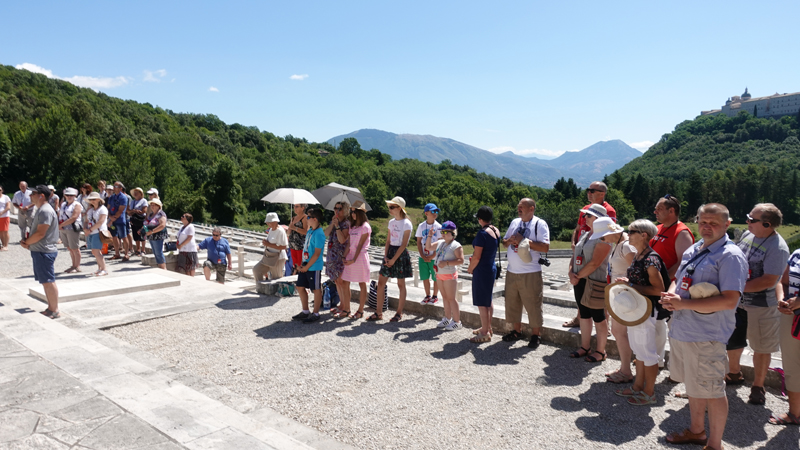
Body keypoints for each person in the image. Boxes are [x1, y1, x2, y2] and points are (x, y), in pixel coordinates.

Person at [660, 203, 747, 450]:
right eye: (703, 222)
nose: (707, 227)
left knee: (713, 390)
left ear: (727, 224)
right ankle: (697, 431)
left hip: (706, 334)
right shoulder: (695, 248)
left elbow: (730, 300)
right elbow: (679, 278)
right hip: (684, 329)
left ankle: (715, 444)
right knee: (694, 385)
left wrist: (682, 304)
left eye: (714, 223)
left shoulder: (730, 256)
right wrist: (671, 294)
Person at [726, 204, 789, 405]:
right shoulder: (748, 235)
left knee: (761, 347)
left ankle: (758, 387)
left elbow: (769, 280)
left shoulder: (778, 248)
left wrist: (736, 289)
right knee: (733, 340)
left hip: (762, 306)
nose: (747, 221)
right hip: (738, 302)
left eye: (752, 219)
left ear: (767, 224)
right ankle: (734, 374)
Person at [612, 219, 669, 406]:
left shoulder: (650, 259)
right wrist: (628, 282)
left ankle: (649, 392)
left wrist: (629, 284)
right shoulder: (639, 256)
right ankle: (638, 386)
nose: (628, 234)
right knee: (640, 351)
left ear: (644, 235)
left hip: (646, 311)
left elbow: (659, 289)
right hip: (637, 310)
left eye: (631, 231)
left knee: (648, 353)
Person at [651, 194, 695, 371]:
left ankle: (678, 369)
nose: (655, 212)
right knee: (656, 324)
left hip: (672, 287)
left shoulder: (682, 232)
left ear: (672, 211)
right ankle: (657, 360)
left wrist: (663, 279)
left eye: (659, 209)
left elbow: (682, 263)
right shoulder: (658, 228)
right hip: (657, 286)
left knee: (674, 328)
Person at [564, 181, 616, 328]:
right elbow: (577, 228)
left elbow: (609, 233)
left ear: (602, 193)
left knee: (597, 296)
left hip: (594, 249)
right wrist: (574, 243)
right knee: (581, 293)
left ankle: (604, 325)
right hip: (582, 246)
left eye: (592, 190)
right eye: (588, 190)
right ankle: (579, 318)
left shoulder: (608, 211)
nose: (588, 192)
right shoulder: (586, 208)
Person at [500, 198, 551, 349]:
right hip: (512, 271)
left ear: (531, 209)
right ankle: (517, 331)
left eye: (522, 206)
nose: (519, 209)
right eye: (518, 206)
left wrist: (525, 240)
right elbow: (504, 242)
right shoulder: (515, 222)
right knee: (512, 303)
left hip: (531, 272)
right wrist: (510, 240)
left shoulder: (539, 224)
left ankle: (536, 335)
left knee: (533, 305)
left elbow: (545, 247)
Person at [568, 207, 613, 362]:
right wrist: (571, 272)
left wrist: (577, 276)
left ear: (598, 219)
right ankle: (585, 347)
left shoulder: (604, 237)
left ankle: (601, 351)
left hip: (594, 281)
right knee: (584, 314)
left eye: (588, 215)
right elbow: (575, 254)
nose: (584, 217)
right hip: (580, 280)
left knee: (599, 317)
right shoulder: (586, 234)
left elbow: (595, 263)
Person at [370, 197, 413, 322]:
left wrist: (393, 259)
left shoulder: (407, 223)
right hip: (390, 252)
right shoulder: (391, 222)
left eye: (392, 207)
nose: (389, 209)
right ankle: (378, 312)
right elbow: (388, 240)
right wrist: (385, 256)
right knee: (381, 283)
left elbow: (404, 244)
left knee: (401, 284)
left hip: (400, 253)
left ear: (399, 208)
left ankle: (399, 313)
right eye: (389, 207)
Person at [21, 185, 61, 318]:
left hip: (44, 251)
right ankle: (51, 308)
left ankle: (54, 310)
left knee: (49, 281)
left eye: (33, 193)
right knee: (46, 281)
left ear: (41, 195)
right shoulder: (41, 209)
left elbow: (40, 233)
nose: (30, 195)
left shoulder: (45, 210)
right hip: (41, 250)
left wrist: (27, 243)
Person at [603, 224, 636, 383]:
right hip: (619, 294)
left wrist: (627, 283)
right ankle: (625, 368)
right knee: (618, 331)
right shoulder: (619, 244)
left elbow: (637, 270)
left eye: (603, 236)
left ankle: (626, 370)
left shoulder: (627, 246)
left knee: (619, 331)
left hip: (626, 296)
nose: (602, 239)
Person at [772, 251, 800, 425]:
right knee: (791, 365)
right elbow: (782, 282)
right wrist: (781, 300)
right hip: (791, 315)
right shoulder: (797, 255)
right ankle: (795, 413)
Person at [467, 206, 500, 343]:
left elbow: (477, 256)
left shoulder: (482, 234)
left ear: (480, 219)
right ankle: (487, 327)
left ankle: (485, 333)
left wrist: (470, 268)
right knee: (488, 300)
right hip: (491, 267)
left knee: (482, 302)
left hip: (482, 269)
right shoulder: (495, 230)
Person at [426, 221, 464, 330]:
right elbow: (428, 247)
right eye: (442, 231)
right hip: (439, 273)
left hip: (449, 274)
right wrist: (430, 236)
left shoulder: (456, 245)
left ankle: (457, 322)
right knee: (445, 297)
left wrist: (446, 263)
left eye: (445, 232)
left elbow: (461, 260)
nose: (443, 234)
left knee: (451, 298)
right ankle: (447, 318)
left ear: (452, 233)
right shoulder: (440, 242)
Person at [292, 207, 326, 323]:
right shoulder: (310, 231)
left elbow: (317, 253)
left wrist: (307, 267)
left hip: (314, 266)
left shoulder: (319, 233)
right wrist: (302, 264)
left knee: (316, 289)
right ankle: (305, 311)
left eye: (308, 217)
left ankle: (315, 313)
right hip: (306, 263)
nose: (306, 219)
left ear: (315, 219)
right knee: (300, 286)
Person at [341, 201, 372, 320]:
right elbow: (349, 243)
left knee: (362, 283)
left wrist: (353, 259)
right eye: (351, 211)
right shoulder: (352, 226)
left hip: (360, 257)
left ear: (360, 213)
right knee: (345, 282)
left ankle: (360, 310)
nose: (352, 214)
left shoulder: (365, 227)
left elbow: (360, 245)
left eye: (354, 211)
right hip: (351, 255)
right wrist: (344, 256)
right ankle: (346, 309)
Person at [325, 201, 351, 318]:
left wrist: (337, 226)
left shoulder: (346, 223)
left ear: (345, 210)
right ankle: (341, 304)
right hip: (332, 254)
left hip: (341, 255)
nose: (337, 210)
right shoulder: (334, 221)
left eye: (340, 208)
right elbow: (325, 233)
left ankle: (345, 306)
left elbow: (342, 240)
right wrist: (333, 224)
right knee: (336, 280)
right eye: (335, 208)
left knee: (342, 281)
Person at [416, 203, 442, 304]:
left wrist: (432, 255)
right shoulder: (421, 226)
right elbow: (418, 242)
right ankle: (427, 295)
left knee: (435, 277)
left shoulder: (438, 226)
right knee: (425, 277)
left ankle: (435, 296)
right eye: (433, 211)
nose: (435, 213)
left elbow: (440, 243)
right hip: (423, 256)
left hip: (434, 257)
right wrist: (422, 255)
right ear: (426, 213)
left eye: (436, 211)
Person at [252, 212, 288, 282]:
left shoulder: (280, 231)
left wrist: (268, 244)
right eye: (267, 222)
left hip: (278, 257)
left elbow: (284, 246)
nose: (267, 224)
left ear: (275, 221)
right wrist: (266, 242)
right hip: (268, 256)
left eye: (269, 222)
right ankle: (260, 286)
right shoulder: (271, 229)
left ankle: (275, 289)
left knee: (276, 278)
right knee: (256, 270)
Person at [58, 188, 83, 273]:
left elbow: (74, 217)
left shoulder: (77, 205)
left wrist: (61, 225)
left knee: (75, 248)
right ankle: (73, 265)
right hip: (63, 228)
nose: (69, 197)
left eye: (71, 195)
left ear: (74, 196)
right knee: (69, 248)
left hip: (72, 228)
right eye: (67, 195)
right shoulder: (63, 204)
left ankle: (77, 266)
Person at [84, 192, 109, 276]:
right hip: (91, 232)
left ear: (98, 200)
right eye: (90, 199)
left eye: (94, 199)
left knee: (96, 251)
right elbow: (86, 220)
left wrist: (89, 230)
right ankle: (100, 268)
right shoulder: (91, 210)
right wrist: (85, 228)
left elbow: (100, 222)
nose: (92, 201)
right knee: (95, 252)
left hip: (98, 232)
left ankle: (104, 269)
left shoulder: (103, 209)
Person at [107, 181, 129, 261]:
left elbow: (120, 210)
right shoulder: (111, 197)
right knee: (114, 237)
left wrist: (112, 219)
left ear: (120, 188)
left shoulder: (123, 197)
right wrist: (110, 217)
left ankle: (126, 254)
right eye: (114, 186)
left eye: (116, 186)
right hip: (112, 220)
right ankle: (117, 254)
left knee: (123, 237)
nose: (114, 188)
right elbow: (108, 208)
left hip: (120, 220)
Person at [144, 199, 169, 270]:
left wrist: (152, 231)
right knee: (155, 252)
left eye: (154, 205)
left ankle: (163, 268)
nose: (152, 206)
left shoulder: (161, 214)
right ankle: (160, 266)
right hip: (152, 235)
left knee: (158, 252)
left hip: (158, 235)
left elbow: (162, 225)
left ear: (158, 206)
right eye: (151, 205)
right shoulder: (151, 214)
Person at [287, 203, 309, 273]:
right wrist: (289, 229)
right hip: (292, 245)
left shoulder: (305, 218)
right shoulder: (293, 218)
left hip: (300, 246)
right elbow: (288, 232)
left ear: (303, 208)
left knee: (300, 265)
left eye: (297, 206)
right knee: (295, 265)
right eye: (294, 206)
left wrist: (294, 228)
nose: (294, 208)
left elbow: (305, 231)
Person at [128, 188, 148, 256]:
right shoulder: (133, 201)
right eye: (135, 192)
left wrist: (137, 211)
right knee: (135, 235)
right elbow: (129, 211)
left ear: (141, 193)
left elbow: (144, 210)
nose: (135, 193)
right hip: (134, 219)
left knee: (142, 234)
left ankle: (143, 250)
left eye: (137, 192)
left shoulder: (144, 201)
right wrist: (134, 211)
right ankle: (138, 249)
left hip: (141, 219)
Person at [0, 185, 10, 250]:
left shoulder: (6, 197)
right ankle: (3, 245)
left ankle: (6, 245)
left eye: (0, 190)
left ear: (2, 190)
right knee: (0, 231)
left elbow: (8, 207)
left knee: (5, 231)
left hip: (4, 216)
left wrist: (1, 213)